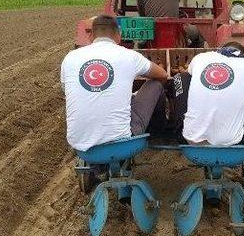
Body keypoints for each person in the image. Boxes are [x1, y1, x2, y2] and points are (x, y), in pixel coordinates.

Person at [173, 42, 244, 185]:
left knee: (181, 78)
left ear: (219, 52)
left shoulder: (201, 58)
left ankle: (180, 126)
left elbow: (191, 77)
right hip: (233, 144)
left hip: (190, 141)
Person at [60, 15, 168, 151]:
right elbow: (162, 74)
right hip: (123, 142)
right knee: (156, 84)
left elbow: (66, 90)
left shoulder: (70, 57)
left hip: (80, 144)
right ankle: (158, 132)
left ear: (91, 36)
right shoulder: (129, 56)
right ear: (118, 36)